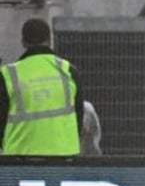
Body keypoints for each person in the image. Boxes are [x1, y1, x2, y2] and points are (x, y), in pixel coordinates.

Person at [0, 17, 84, 156]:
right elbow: (79, 117)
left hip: (19, 160)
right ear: (50, 40)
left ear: (23, 42)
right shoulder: (68, 71)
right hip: (64, 157)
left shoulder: (7, 75)